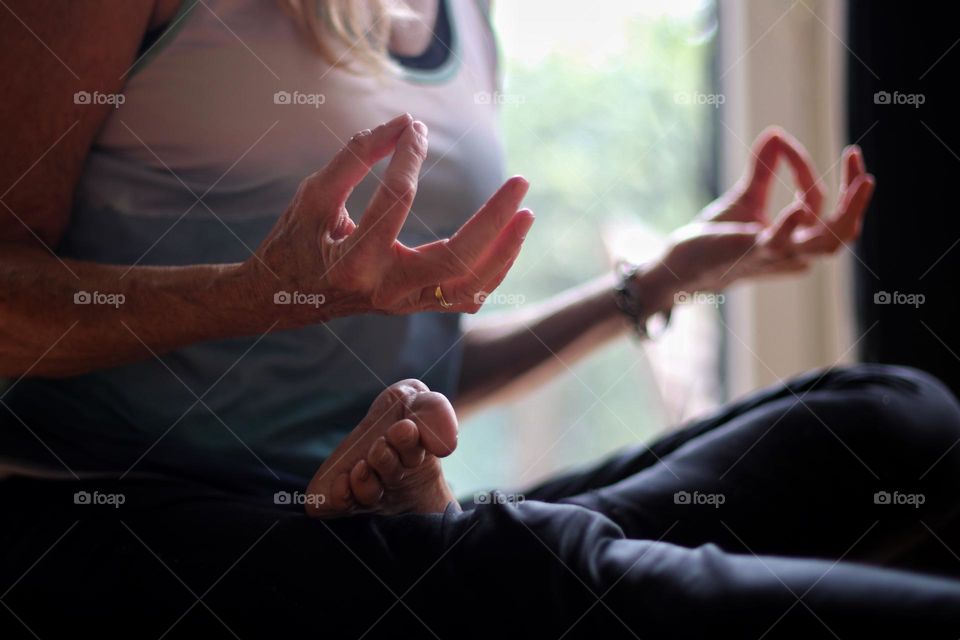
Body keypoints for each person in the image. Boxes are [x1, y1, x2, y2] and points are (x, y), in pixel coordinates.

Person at [2, 1, 959, 637]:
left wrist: (656, 281)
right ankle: (447, 541)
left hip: (353, 511)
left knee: (893, 418)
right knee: (516, 558)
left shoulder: (460, 17)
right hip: (109, 504)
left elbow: (429, 360)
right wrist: (258, 294)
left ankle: (425, 532)